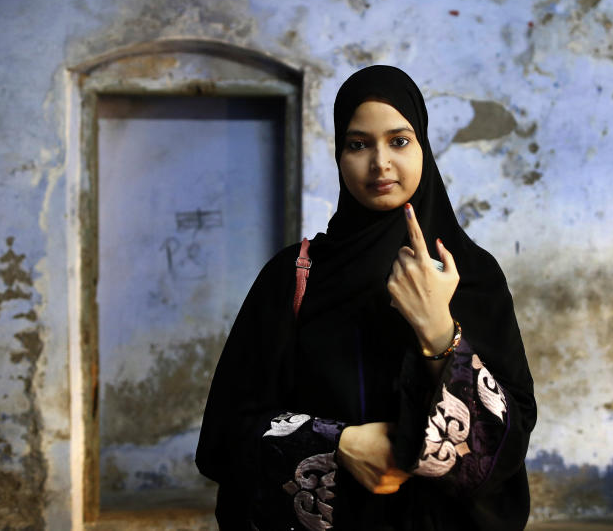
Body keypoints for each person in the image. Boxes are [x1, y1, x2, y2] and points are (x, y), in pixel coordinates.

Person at [196, 65, 536, 530]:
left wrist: (438, 328)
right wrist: (338, 444)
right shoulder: (293, 276)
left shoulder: (473, 274)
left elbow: (507, 446)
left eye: (399, 141)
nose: (380, 163)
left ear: (424, 148)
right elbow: (225, 435)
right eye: (358, 145)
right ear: (339, 155)